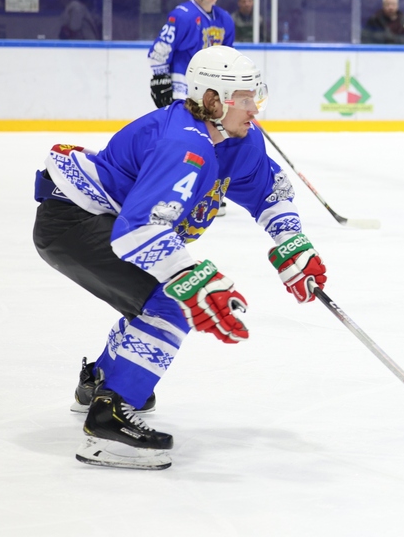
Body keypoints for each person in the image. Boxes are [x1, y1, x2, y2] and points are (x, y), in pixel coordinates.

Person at [32, 46, 328, 470]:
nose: (254, 109)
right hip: (73, 222)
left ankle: (101, 381)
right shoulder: (182, 144)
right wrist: (192, 276)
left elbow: (267, 189)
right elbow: (138, 230)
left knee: (162, 295)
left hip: (106, 222)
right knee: (172, 301)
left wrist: (291, 242)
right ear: (212, 100)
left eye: (256, 96)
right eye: (244, 99)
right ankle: (108, 423)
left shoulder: (237, 138)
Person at [148, 0, 235, 108]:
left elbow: (228, 56)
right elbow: (160, 49)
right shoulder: (182, 16)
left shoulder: (225, 19)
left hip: (210, 88)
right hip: (181, 88)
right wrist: (160, 77)